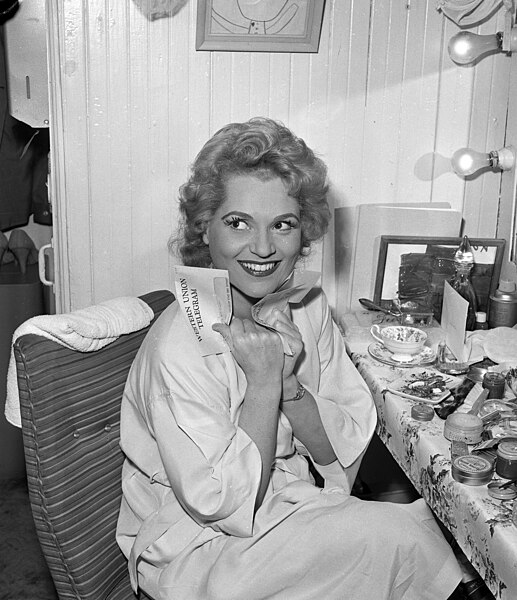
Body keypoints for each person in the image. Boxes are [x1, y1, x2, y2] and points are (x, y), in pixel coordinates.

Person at [116, 117, 464, 599]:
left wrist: (290, 386)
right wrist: (262, 388)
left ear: (304, 233)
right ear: (204, 228)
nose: (262, 248)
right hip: (200, 548)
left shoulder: (307, 306)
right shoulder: (178, 345)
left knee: (429, 527)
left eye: (283, 224)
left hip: (291, 504)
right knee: (400, 539)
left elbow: (338, 453)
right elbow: (222, 505)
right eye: (238, 223)